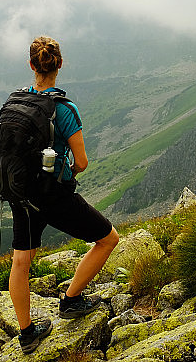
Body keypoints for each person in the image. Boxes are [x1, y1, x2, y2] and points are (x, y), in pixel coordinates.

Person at [7, 35, 119, 354]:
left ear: (31, 65)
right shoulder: (64, 109)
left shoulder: (17, 102)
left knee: (21, 261)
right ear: (60, 65)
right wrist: (65, 172)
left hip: (21, 194)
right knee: (108, 239)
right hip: (53, 196)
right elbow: (81, 162)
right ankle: (70, 300)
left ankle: (27, 334)